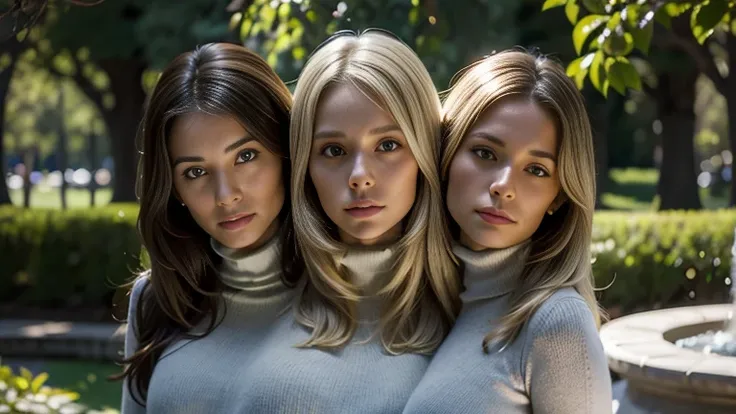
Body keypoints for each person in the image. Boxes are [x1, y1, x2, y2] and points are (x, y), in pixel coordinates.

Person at [225, 30, 460, 413]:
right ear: (305, 165)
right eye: (333, 150)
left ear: (425, 152)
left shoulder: (480, 301)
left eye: (387, 145)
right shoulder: (264, 298)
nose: (360, 176)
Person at [403, 49, 613, 414]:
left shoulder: (556, 322)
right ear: (448, 154)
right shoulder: (434, 303)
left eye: (536, 170)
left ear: (559, 197)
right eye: (485, 154)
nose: (503, 186)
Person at [116, 42, 300, 413]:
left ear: (286, 151)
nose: (226, 195)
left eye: (245, 156)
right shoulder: (156, 299)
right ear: (174, 188)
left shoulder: (349, 283)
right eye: (195, 172)